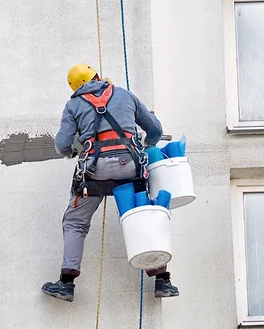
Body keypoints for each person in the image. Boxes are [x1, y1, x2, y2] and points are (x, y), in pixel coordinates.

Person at [42, 64, 180, 301]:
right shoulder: (125, 95)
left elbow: (62, 145)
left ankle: (66, 283)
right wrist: (146, 143)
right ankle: (161, 280)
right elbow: (155, 130)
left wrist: (71, 152)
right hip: (130, 167)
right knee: (143, 214)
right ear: (98, 77)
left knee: (75, 222)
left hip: (95, 171)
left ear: (76, 88)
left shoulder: (73, 104)